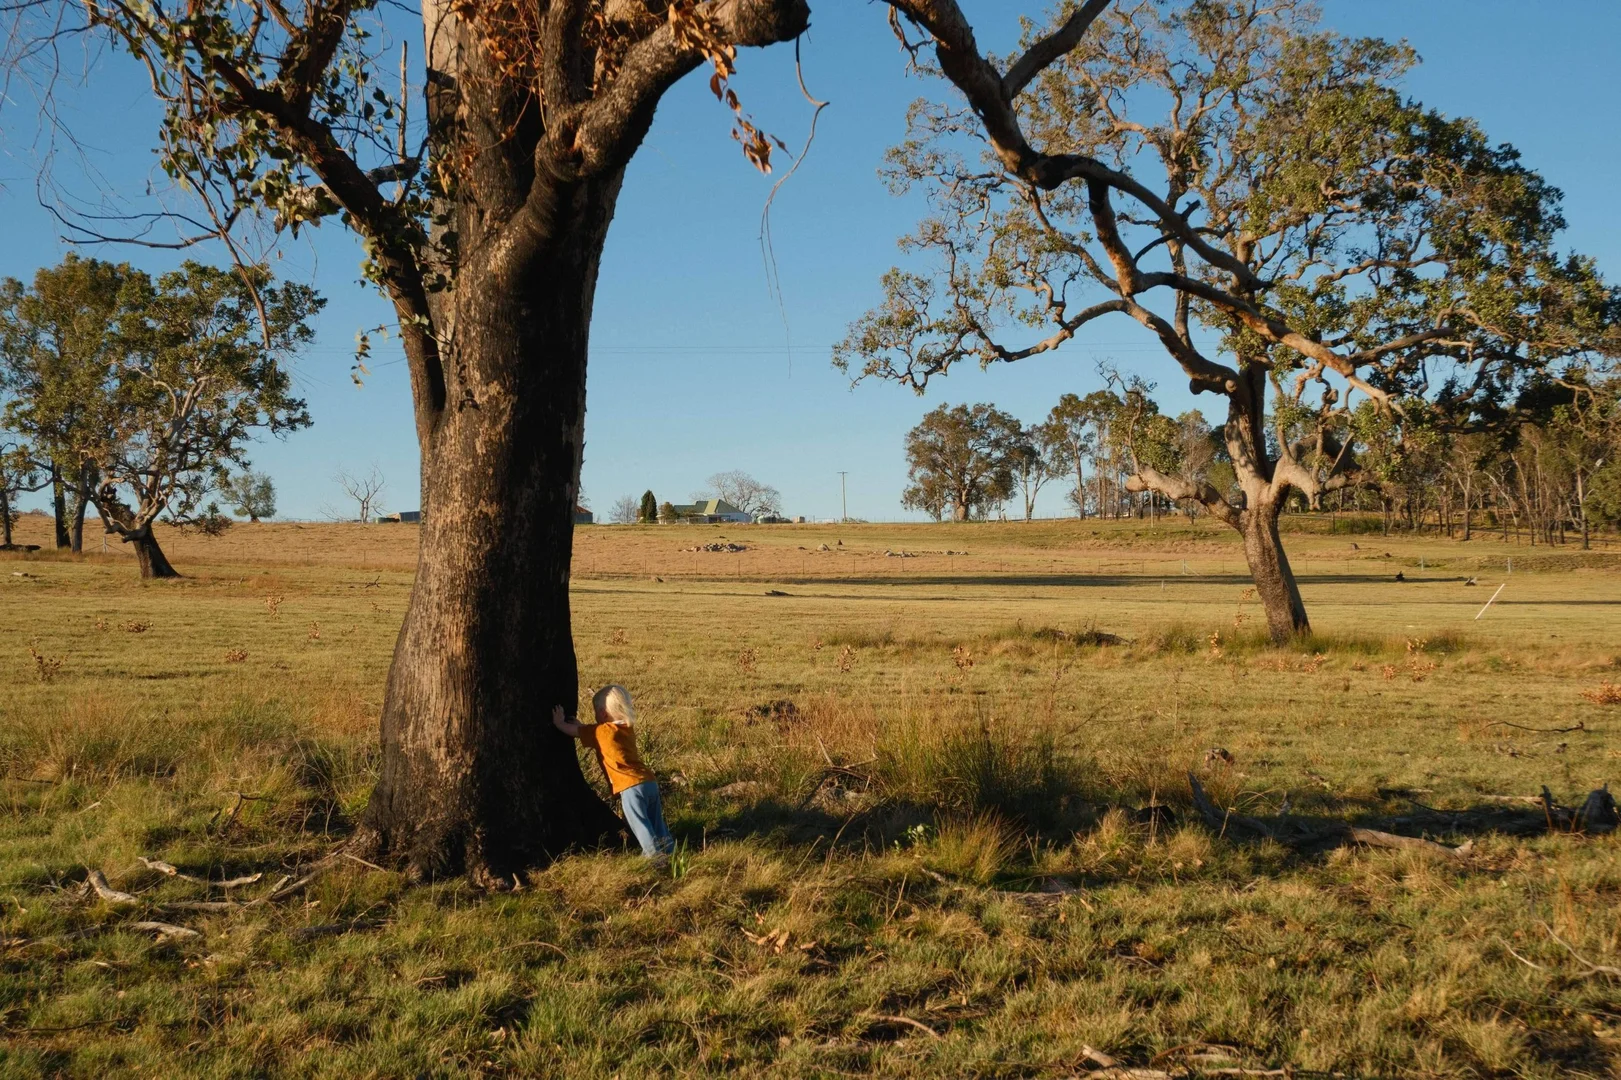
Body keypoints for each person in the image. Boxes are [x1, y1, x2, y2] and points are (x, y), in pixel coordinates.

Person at [551, 685, 674, 859]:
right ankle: (668, 849)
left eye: (595, 711)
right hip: (649, 781)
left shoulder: (602, 732)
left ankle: (653, 855)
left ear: (602, 713)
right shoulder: (626, 728)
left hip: (630, 787)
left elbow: (574, 732)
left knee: (639, 823)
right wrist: (583, 726)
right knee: (656, 821)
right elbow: (590, 731)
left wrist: (559, 722)